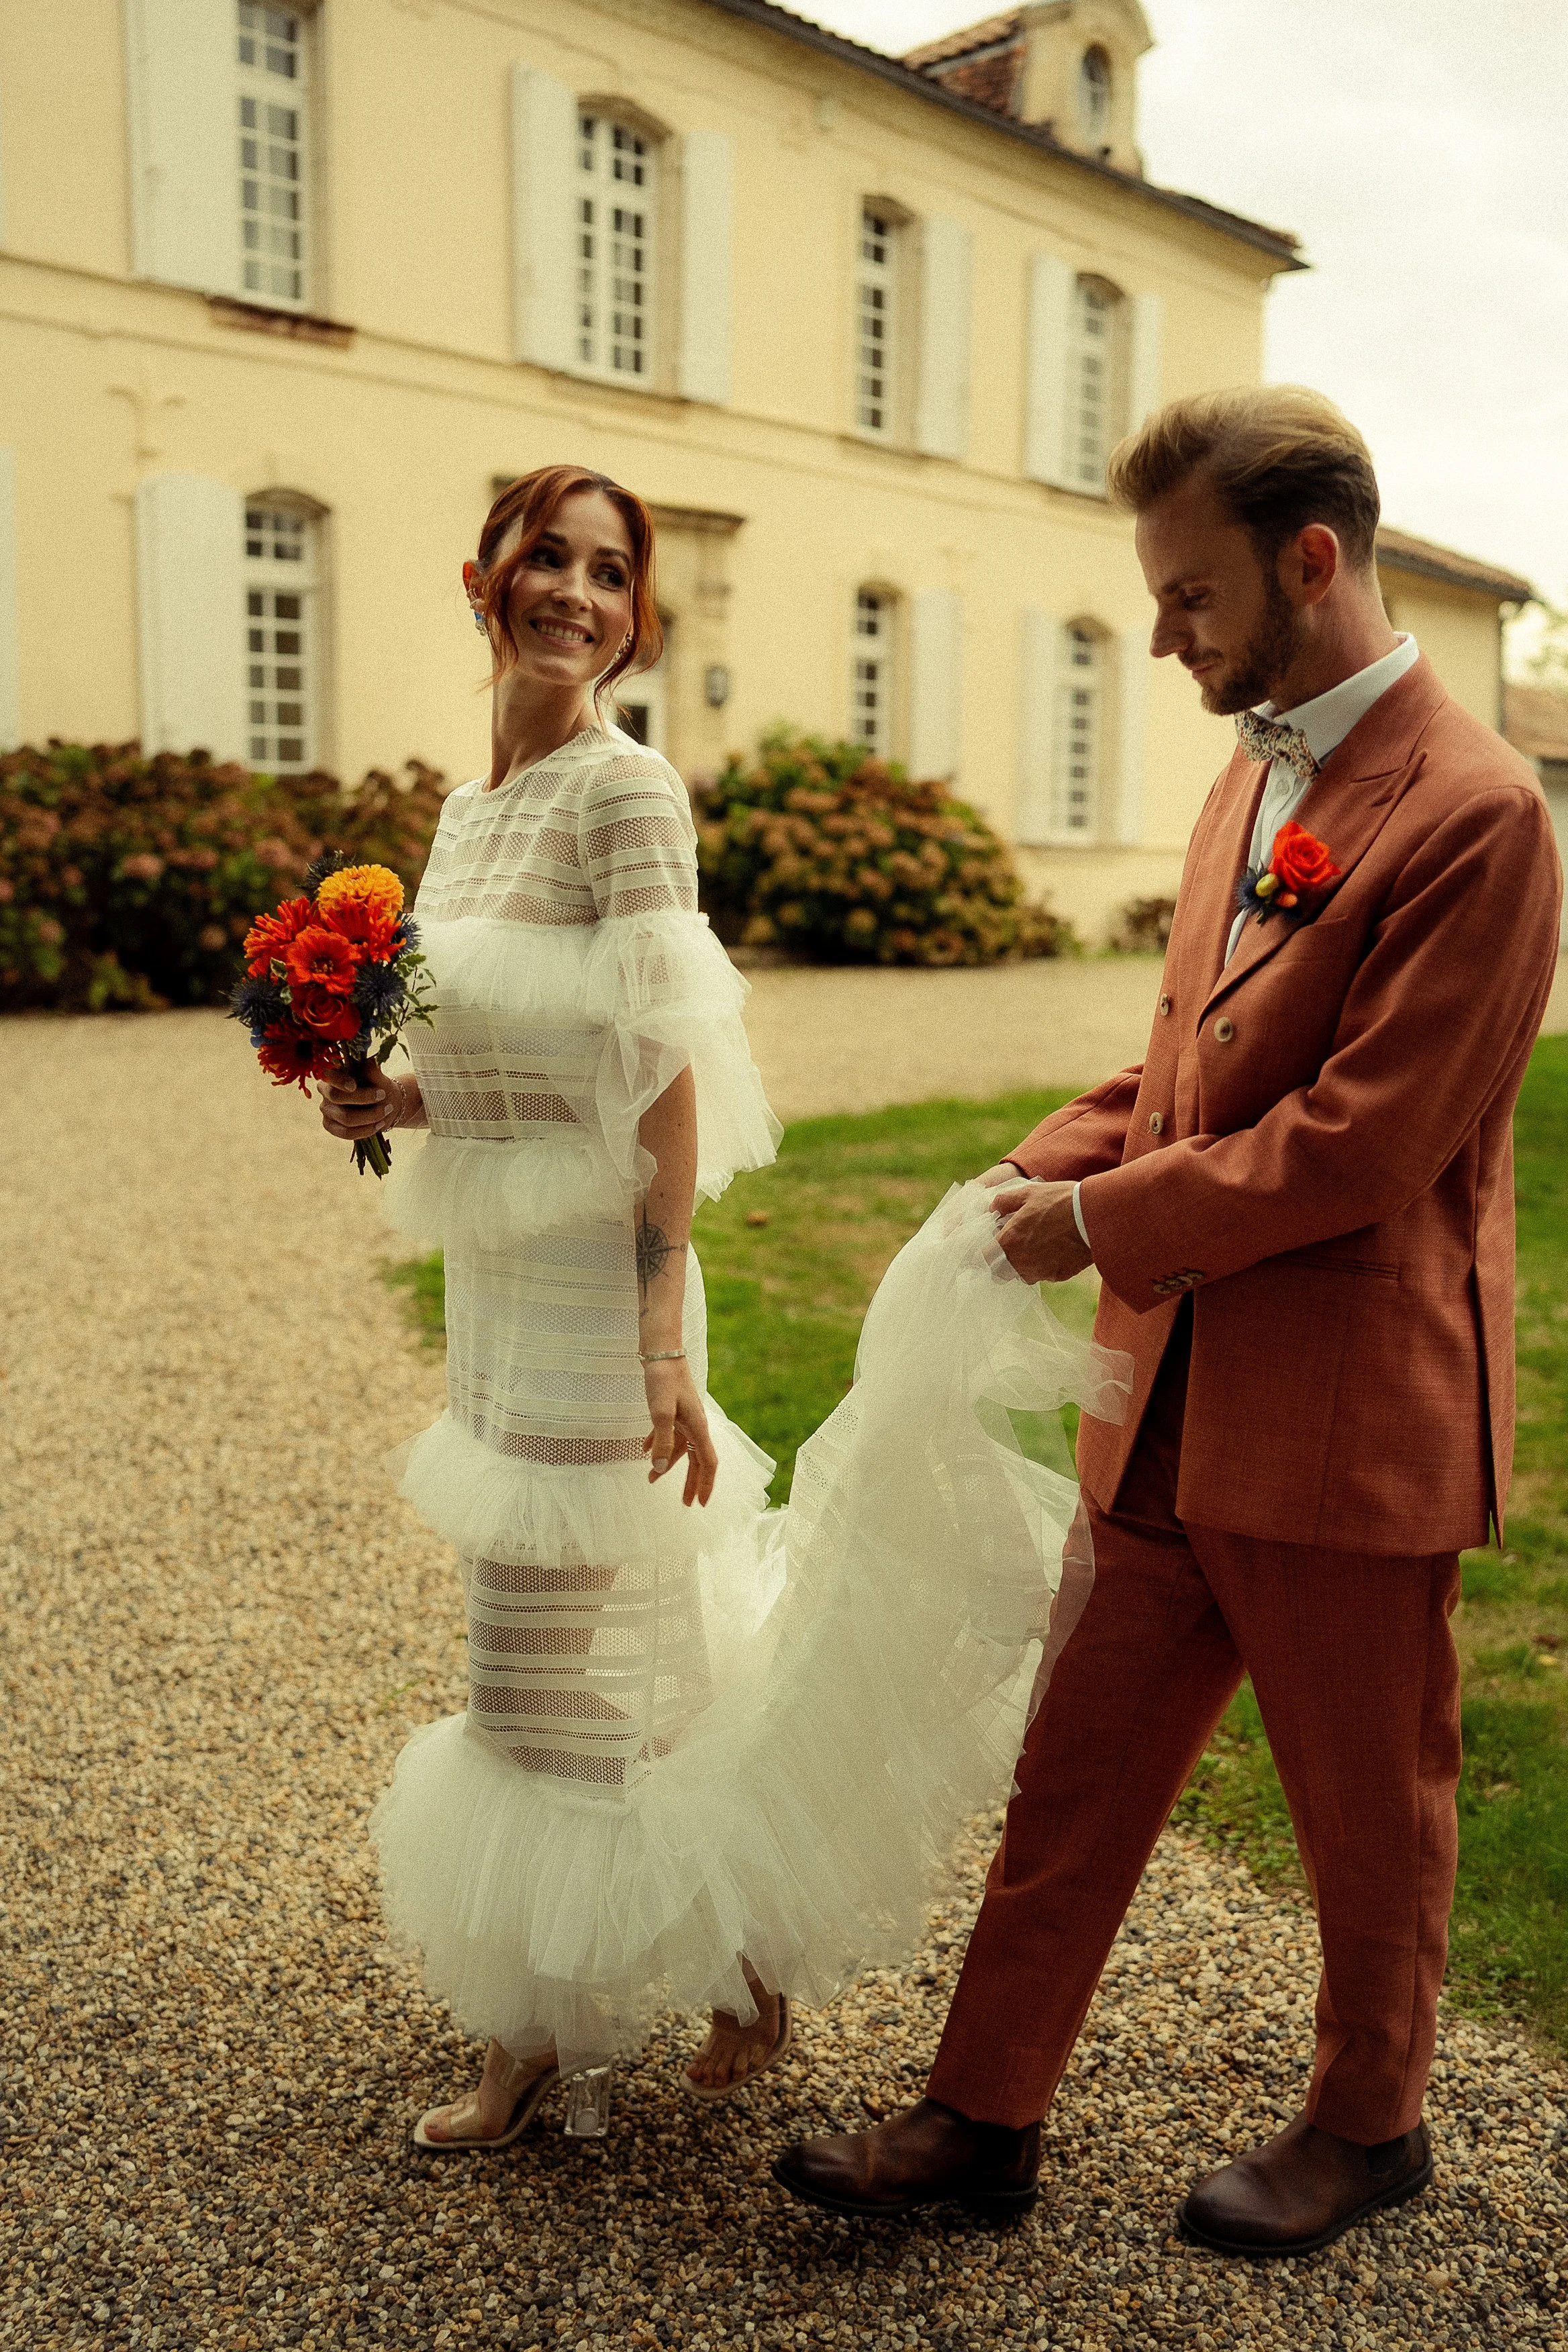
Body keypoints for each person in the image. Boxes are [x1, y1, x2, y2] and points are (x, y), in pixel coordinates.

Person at [771, 387, 1563, 2255]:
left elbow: (1361, 1147)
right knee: (1077, 1769)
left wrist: (1093, 1226)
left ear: (1311, 562)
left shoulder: (1482, 816)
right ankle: (982, 2120)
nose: (1161, 639)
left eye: (1189, 595)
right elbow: (1190, 1074)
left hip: (1353, 1416)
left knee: (1369, 1812)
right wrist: (1029, 1174)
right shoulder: (1251, 768)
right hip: (1169, 1406)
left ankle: (1373, 2127)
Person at [317, 464, 1124, 2150]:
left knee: (547, 1668)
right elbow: (520, 1062)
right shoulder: (468, 818)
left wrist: (663, 1341)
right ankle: (642, 1982)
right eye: (551, 560)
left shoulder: (629, 794)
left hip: (598, 1300)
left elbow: (665, 1080)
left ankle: (592, 2001)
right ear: (486, 579)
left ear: (637, 614)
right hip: (491, 1289)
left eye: (611, 574)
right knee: (576, 1650)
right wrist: (392, 1102)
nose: (578, 596)